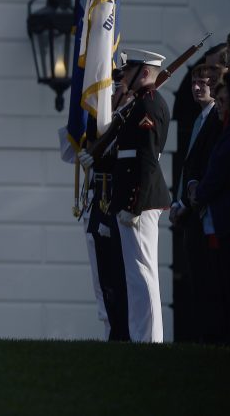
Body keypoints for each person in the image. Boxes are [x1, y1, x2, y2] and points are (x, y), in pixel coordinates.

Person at [108, 47, 171, 343]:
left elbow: (147, 160)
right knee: (136, 274)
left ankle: (149, 339)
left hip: (140, 201)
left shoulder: (148, 107)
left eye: (129, 71)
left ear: (144, 73)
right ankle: (141, 337)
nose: (124, 77)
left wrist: (133, 204)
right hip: (134, 198)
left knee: (143, 272)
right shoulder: (139, 105)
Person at [169, 64, 224, 342]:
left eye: (205, 82)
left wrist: (188, 203)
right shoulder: (200, 118)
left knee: (207, 282)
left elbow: (205, 167)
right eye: (194, 82)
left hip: (203, 212)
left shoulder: (215, 118)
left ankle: (211, 340)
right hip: (190, 210)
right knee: (196, 280)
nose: (198, 87)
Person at [191, 72, 230, 357]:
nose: (220, 105)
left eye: (224, 100)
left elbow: (219, 172)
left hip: (228, 219)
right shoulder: (228, 129)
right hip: (219, 218)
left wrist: (199, 194)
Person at [83, 71, 130, 341]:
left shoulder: (130, 115)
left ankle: (121, 329)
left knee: (121, 271)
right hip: (98, 200)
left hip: (116, 199)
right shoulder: (102, 116)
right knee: (102, 274)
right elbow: (93, 141)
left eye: (117, 86)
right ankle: (110, 327)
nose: (112, 91)